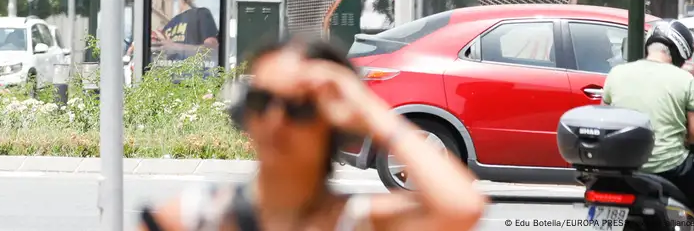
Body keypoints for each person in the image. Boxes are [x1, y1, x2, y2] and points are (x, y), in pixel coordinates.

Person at [138, 36, 485, 231]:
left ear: (332, 125)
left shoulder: (356, 221)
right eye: (262, 100)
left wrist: (371, 110)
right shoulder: (196, 218)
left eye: (298, 107)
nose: (276, 120)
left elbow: (462, 207)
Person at [603, 20, 694, 227]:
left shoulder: (616, 74)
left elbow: (604, 118)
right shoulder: (684, 80)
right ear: (680, 52)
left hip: (623, 167)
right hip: (668, 166)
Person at [151, 0, 220, 62]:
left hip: (195, 75)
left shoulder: (202, 13)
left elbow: (211, 50)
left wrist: (175, 47)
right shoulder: (168, 25)